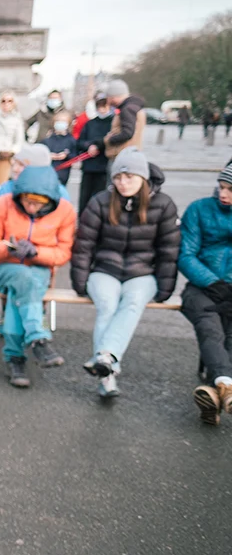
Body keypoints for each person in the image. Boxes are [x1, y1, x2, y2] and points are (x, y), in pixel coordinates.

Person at [70, 148, 180, 398]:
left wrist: (165, 287)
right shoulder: (101, 201)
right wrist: (81, 280)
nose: (123, 183)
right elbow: (84, 244)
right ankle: (108, 372)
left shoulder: (163, 205)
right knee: (107, 304)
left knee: (133, 302)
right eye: (118, 177)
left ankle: (104, 357)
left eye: (129, 177)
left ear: (142, 177)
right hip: (105, 269)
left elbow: (168, 249)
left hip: (142, 272)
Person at [0, 164, 77, 388]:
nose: (31, 207)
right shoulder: (2, 205)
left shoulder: (65, 211)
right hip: (5, 266)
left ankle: (14, 358)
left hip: (39, 267)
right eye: (27, 201)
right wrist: (7, 248)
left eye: (38, 203)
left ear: (50, 200)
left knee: (21, 292)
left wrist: (37, 252)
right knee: (24, 279)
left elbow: (63, 252)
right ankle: (37, 338)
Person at [179, 166, 232, 425]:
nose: (224, 194)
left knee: (230, 336)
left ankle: (214, 393)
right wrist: (212, 282)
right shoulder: (199, 209)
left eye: (231, 190)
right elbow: (186, 254)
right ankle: (226, 387)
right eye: (222, 187)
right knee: (211, 328)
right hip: (202, 287)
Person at [77, 93, 116, 210]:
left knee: (101, 198)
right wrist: (88, 146)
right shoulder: (90, 123)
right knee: (84, 198)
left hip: (104, 167)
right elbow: (79, 142)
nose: (102, 109)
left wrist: (99, 146)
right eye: (99, 106)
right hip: (89, 167)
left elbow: (113, 140)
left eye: (105, 106)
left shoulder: (113, 123)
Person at [0, 144, 70, 203]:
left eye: (21, 165)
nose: (15, 169)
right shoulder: (7, 189)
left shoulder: (59, 194)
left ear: (37, 169)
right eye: (14, 163)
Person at [103, 80, 145, 160]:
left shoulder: (127, 109)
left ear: (113, 97)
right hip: (130, 153)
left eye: (108, 98)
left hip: (122, 155)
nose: (108, 102)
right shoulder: (135, 107)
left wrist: (109, 139)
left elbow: (127, 133)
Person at [41, 113, 77, 186]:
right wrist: (48, 155)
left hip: (63, 173)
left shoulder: (71, 140)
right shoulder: (47, 140)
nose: (60, 123)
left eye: (63, 121)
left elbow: (75, 156)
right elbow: (40, 154)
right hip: (48, 171)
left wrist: (66, 155)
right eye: (58, 121)